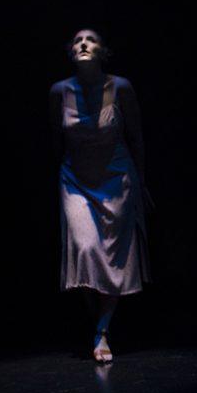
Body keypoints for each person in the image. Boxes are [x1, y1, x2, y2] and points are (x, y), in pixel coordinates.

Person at [49, 28, 150, 362]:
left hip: (116, 179)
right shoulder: (60, 91)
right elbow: (55, 141)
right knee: (86, 248)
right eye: (77, 41)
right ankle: (98, 320)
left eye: (90, 40)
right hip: (75, 179)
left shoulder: (119, 87)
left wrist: (142, 182)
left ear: (103, 51)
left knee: (113, 257)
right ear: (70, 52)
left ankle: (102, 330)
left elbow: (136, 136)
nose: (83, 44)